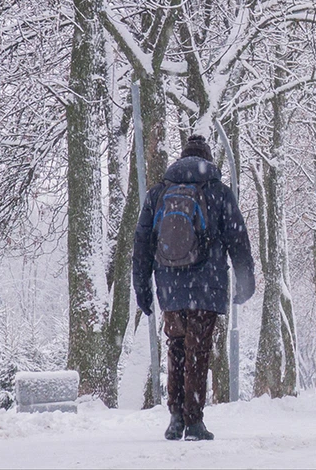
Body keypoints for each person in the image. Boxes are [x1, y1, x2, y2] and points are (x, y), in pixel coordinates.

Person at [133, 134, 255, 442]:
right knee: (198, 350)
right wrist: (245, 280)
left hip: (169, 285)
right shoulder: (219, 191)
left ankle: (175, 417)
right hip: (207, 285)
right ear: (208, 160)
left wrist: (142, 287)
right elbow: (237, 238)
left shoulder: (159, 192)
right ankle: (195, 419)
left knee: (175, 347)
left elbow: (142, 243)